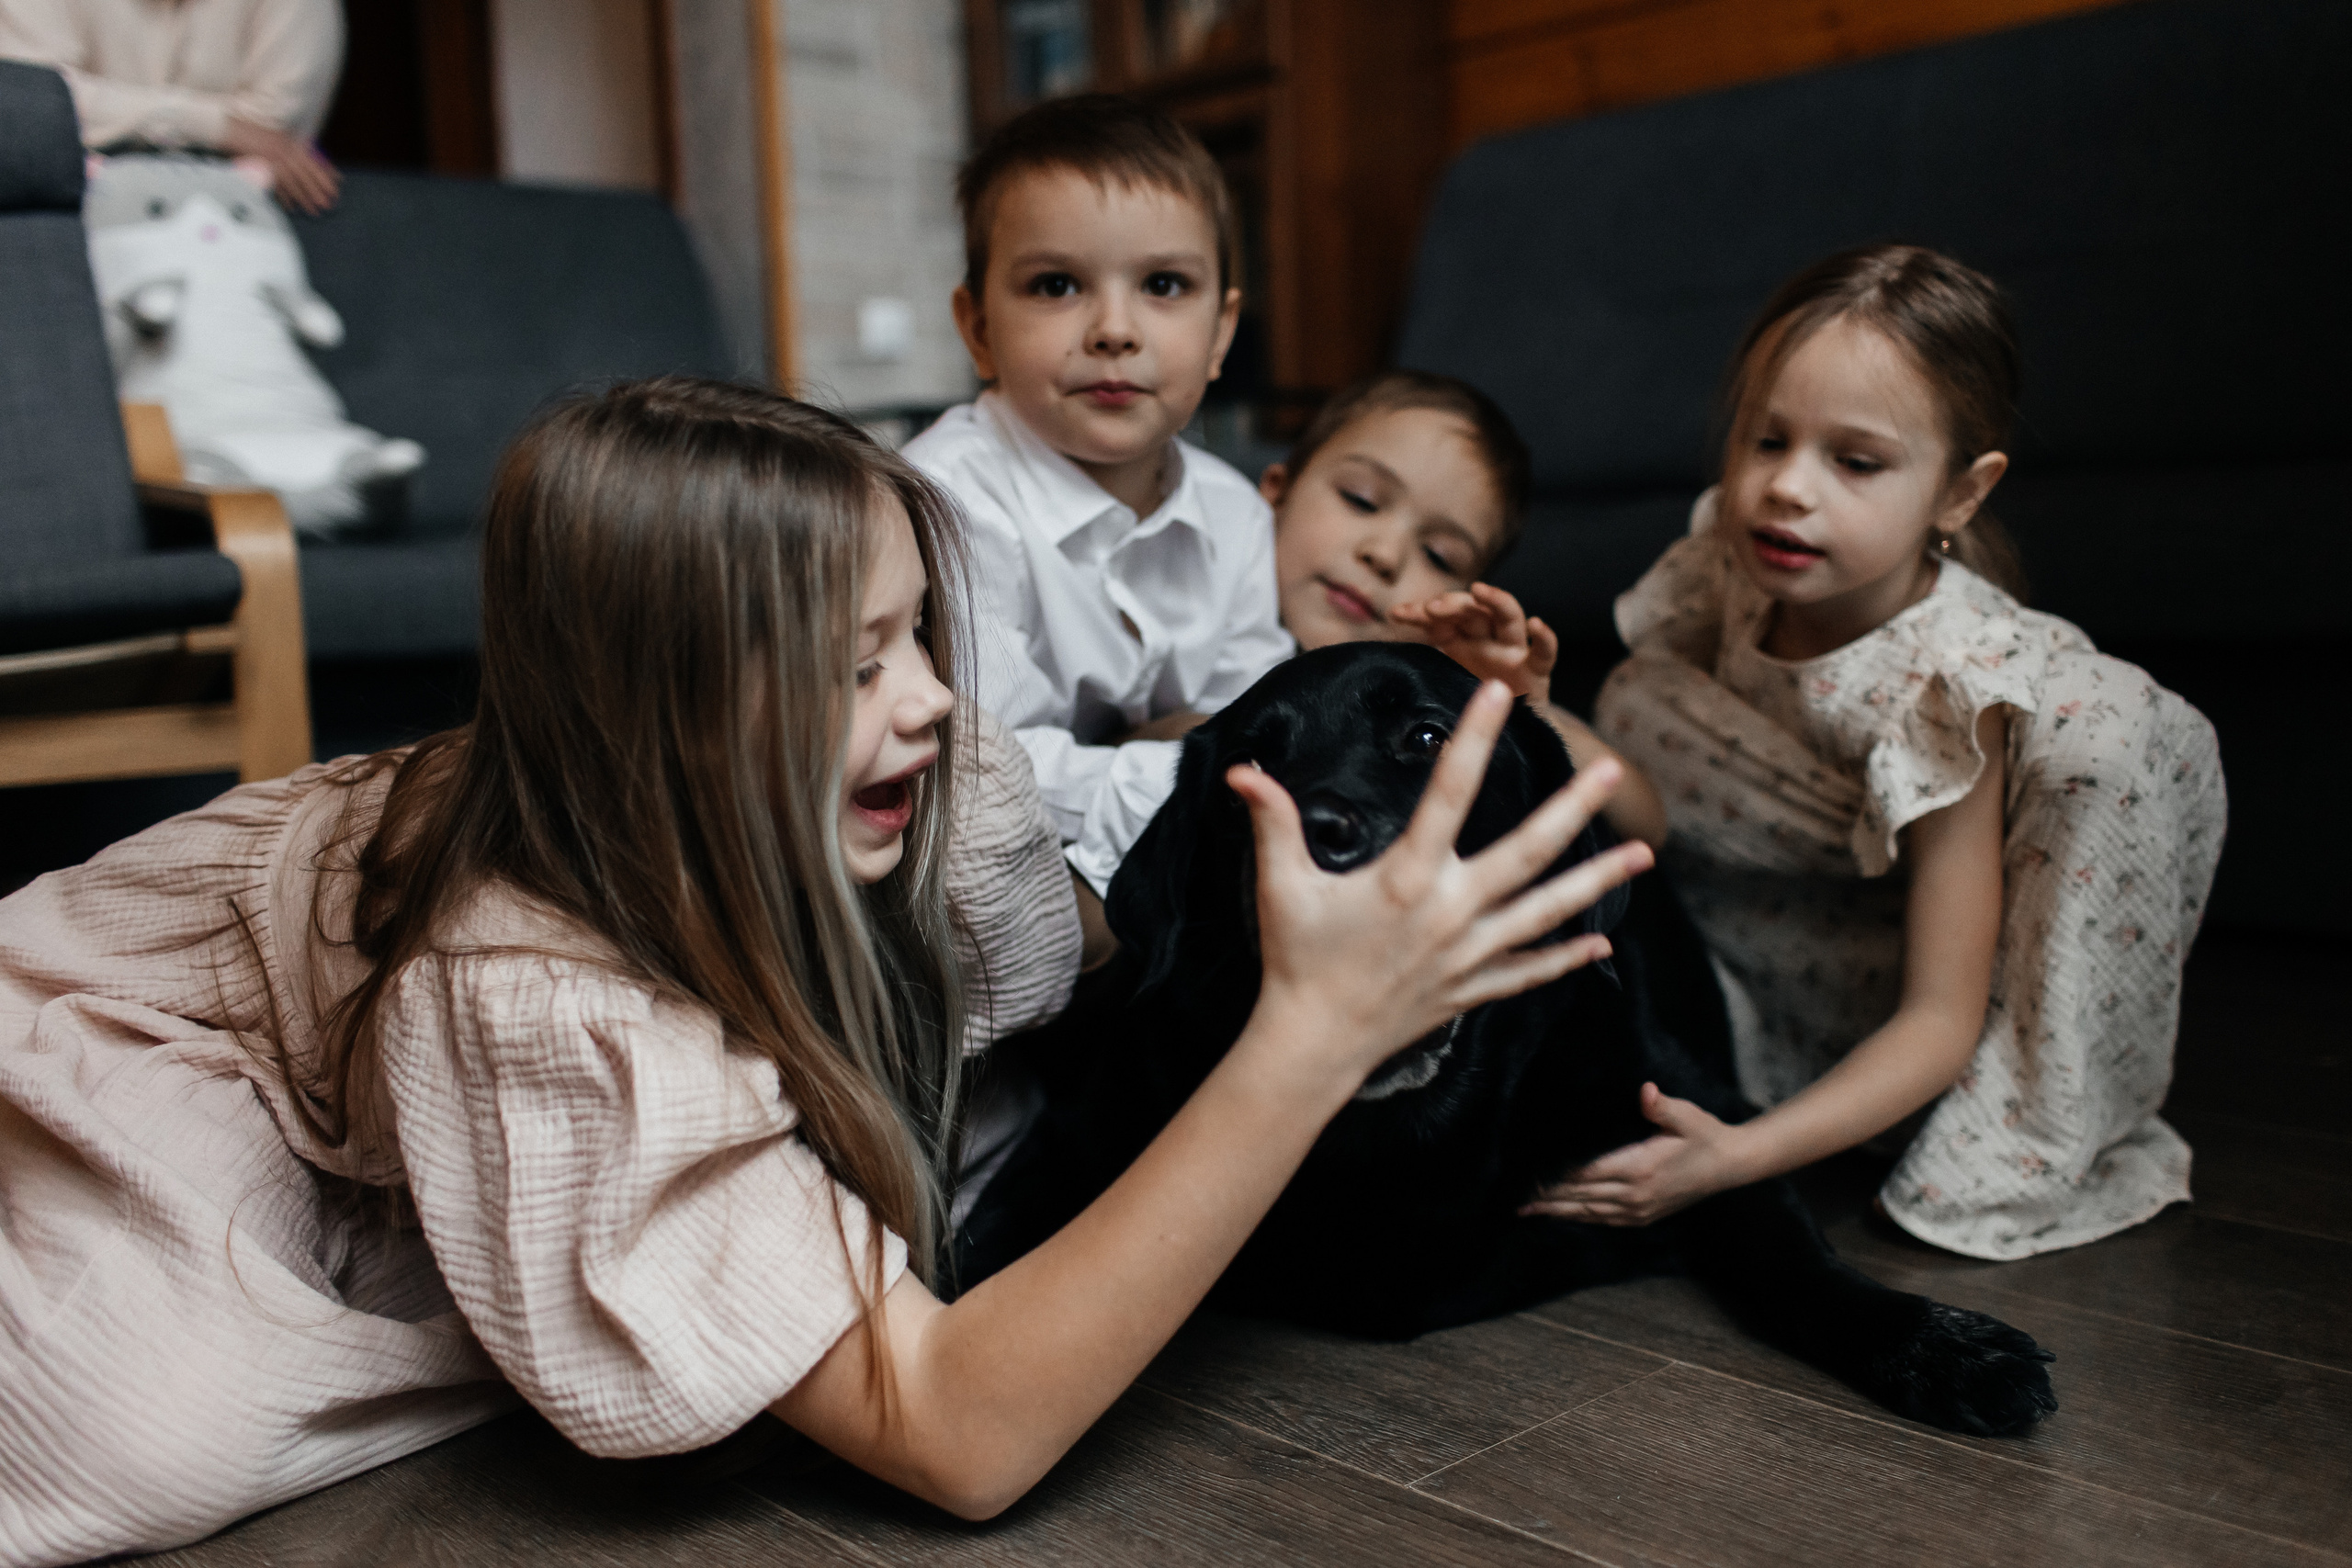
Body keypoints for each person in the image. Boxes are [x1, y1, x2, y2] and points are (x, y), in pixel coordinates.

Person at [0, 377, 1646, 1564]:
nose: (929, 697)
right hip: (146, 1032)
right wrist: (1306, 1042)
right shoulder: (533, 990)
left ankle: (576, 1242)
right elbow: (959, 1439)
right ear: (659, 724)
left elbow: (1073, 953)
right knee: (143, 1437)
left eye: (921, 632)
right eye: (859, 663)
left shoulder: (920, 772)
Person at [1526, 244, 2226, 1260]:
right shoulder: (1727, 565)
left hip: (1869, 1026)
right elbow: (1654, 794)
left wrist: (1731, 1159)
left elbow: (1942, 1018)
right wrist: (1529, 702)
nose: (1785, 490)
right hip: (1715, 949)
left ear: (1959, 493)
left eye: (1855, 462)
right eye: (1766, 439)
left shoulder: (1952, 688)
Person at [903, 94, 1294, 916]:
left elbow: (1257, 724)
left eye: (1163, 284)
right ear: (977, 328)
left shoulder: (1236, 515)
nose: (1115, 329)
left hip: (1175, 850)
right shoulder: (945, 501)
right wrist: (1187, 766)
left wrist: (1205, 759)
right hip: (971, 868)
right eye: (1056, 285)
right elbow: (977, 773)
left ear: (1221, 334)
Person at [1260, 367, 1668, 850]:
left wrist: (1524, 718)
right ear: (1278, 490)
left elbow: (1646, 825)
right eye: (1361, 500)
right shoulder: (1200, 616)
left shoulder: (1436, 689)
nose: (1384, 556)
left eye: (1439, 556)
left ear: (1461, 597)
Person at [0, 0, 343, 212]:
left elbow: (276, 130)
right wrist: (223, 129)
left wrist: (112, 115)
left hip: (239, 218)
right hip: (73, 217)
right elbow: (33, 112)